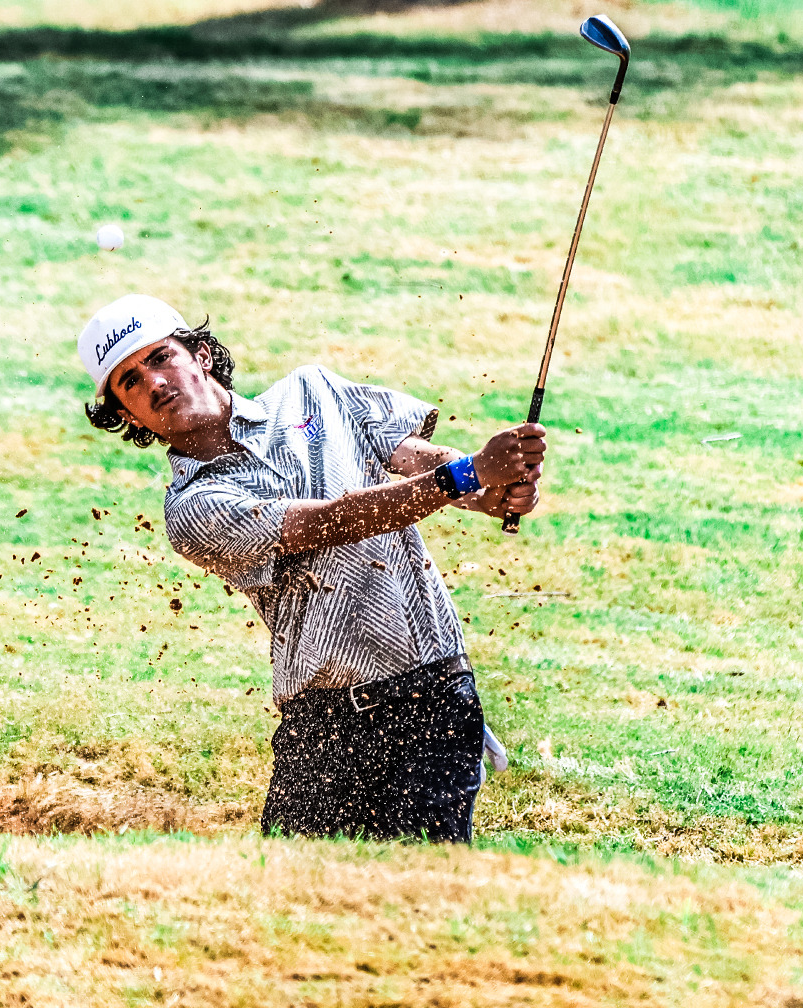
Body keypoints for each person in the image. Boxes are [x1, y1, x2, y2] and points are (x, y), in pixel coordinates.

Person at [78, 294, 545, 844]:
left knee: (427, 904)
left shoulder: (313, 391)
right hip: (323, 726)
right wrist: (466, 478)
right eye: (129, 382)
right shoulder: (192, 506)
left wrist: (495, 492)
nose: (153, 382)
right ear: (128, 415)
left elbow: (415, 457)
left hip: (433, 701)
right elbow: (326, 523)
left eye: (160, 357)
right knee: (293, 908)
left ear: (201, 355)